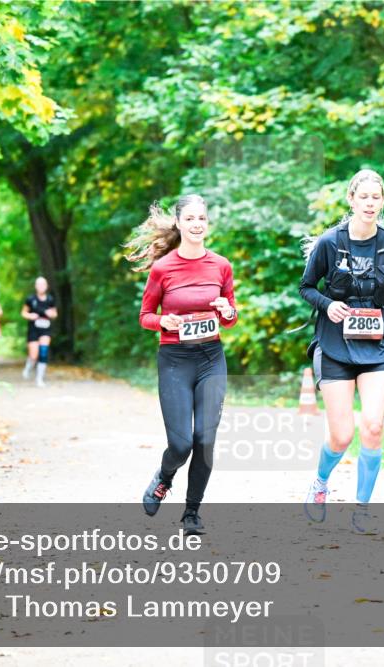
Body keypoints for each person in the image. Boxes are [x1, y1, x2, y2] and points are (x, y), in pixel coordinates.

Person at [298, 169, 384, 532]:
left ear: (382, 202)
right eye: (363, 197)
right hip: (335, 345)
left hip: (378, 346)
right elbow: (306, 287)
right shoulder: (329, 243)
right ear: (351, 199)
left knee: (374, 424)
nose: (370, 203)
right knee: (341, 435)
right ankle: (320, 483)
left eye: (376, 197)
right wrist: (326, 305)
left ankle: (362, 508)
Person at [126, 194, 238, 535]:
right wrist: (164, 322)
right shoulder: (163, 268)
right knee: (181, 444)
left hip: (210, 358)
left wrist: (227, 311)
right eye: (190, 218)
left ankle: (192, 514)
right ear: (178, 223)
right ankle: (164, 477)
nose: (196, 224)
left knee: (204, 440)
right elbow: (145, 315)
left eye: (201, 218)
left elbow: (231, 316)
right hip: (175, 360)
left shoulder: (221, 265)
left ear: (207, 223)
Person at [21, 276, 57, 387]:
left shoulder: (50, 299)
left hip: (45, 328)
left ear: (46, 286)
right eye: (39, 284)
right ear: (36, 286)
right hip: (33, 329)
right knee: (33, 355)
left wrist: (51, 314)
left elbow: (55, 314)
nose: (41, 287)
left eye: (43, 284)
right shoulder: (30, 299)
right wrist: (30, 315)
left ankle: (39, 379)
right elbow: (23, 313)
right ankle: (28, 367)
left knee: (43, 352)